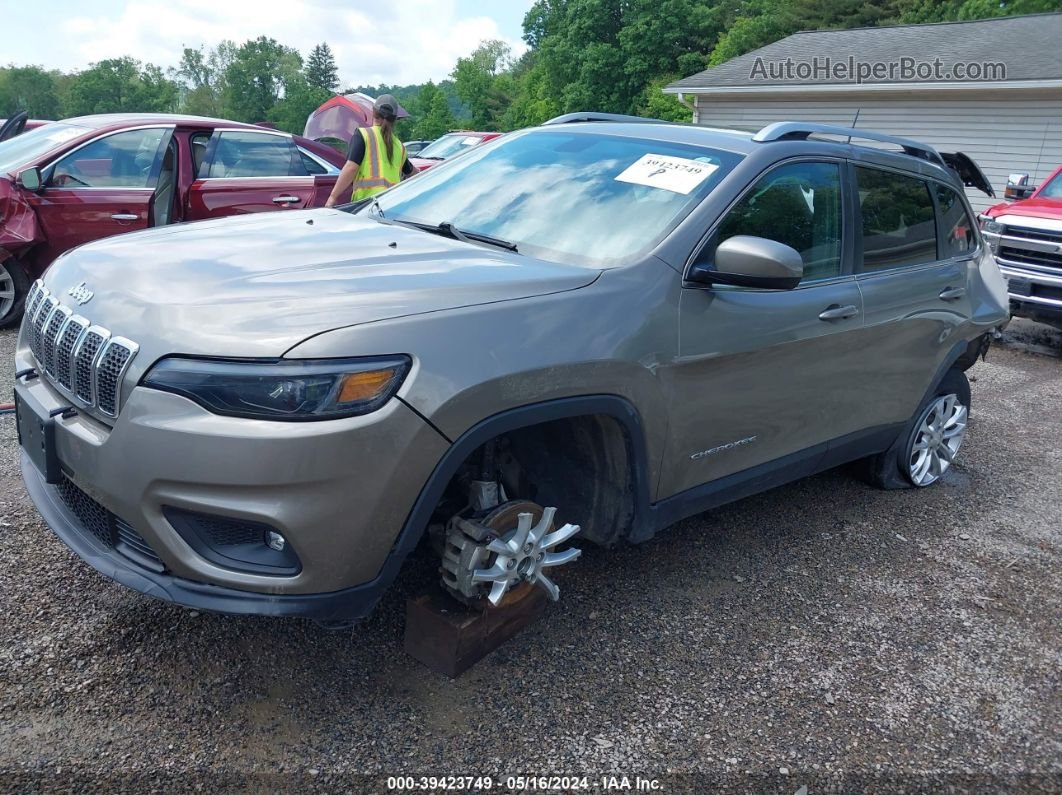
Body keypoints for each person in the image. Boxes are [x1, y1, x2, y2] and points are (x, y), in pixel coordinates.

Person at [325, 94, 417, 207]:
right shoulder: (400, 146)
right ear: (394, 119)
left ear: (373, 112)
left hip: (366, 205)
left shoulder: (363, 135)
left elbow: (351, 168)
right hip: (391, 206)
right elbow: (413, 173)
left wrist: (333, 197)